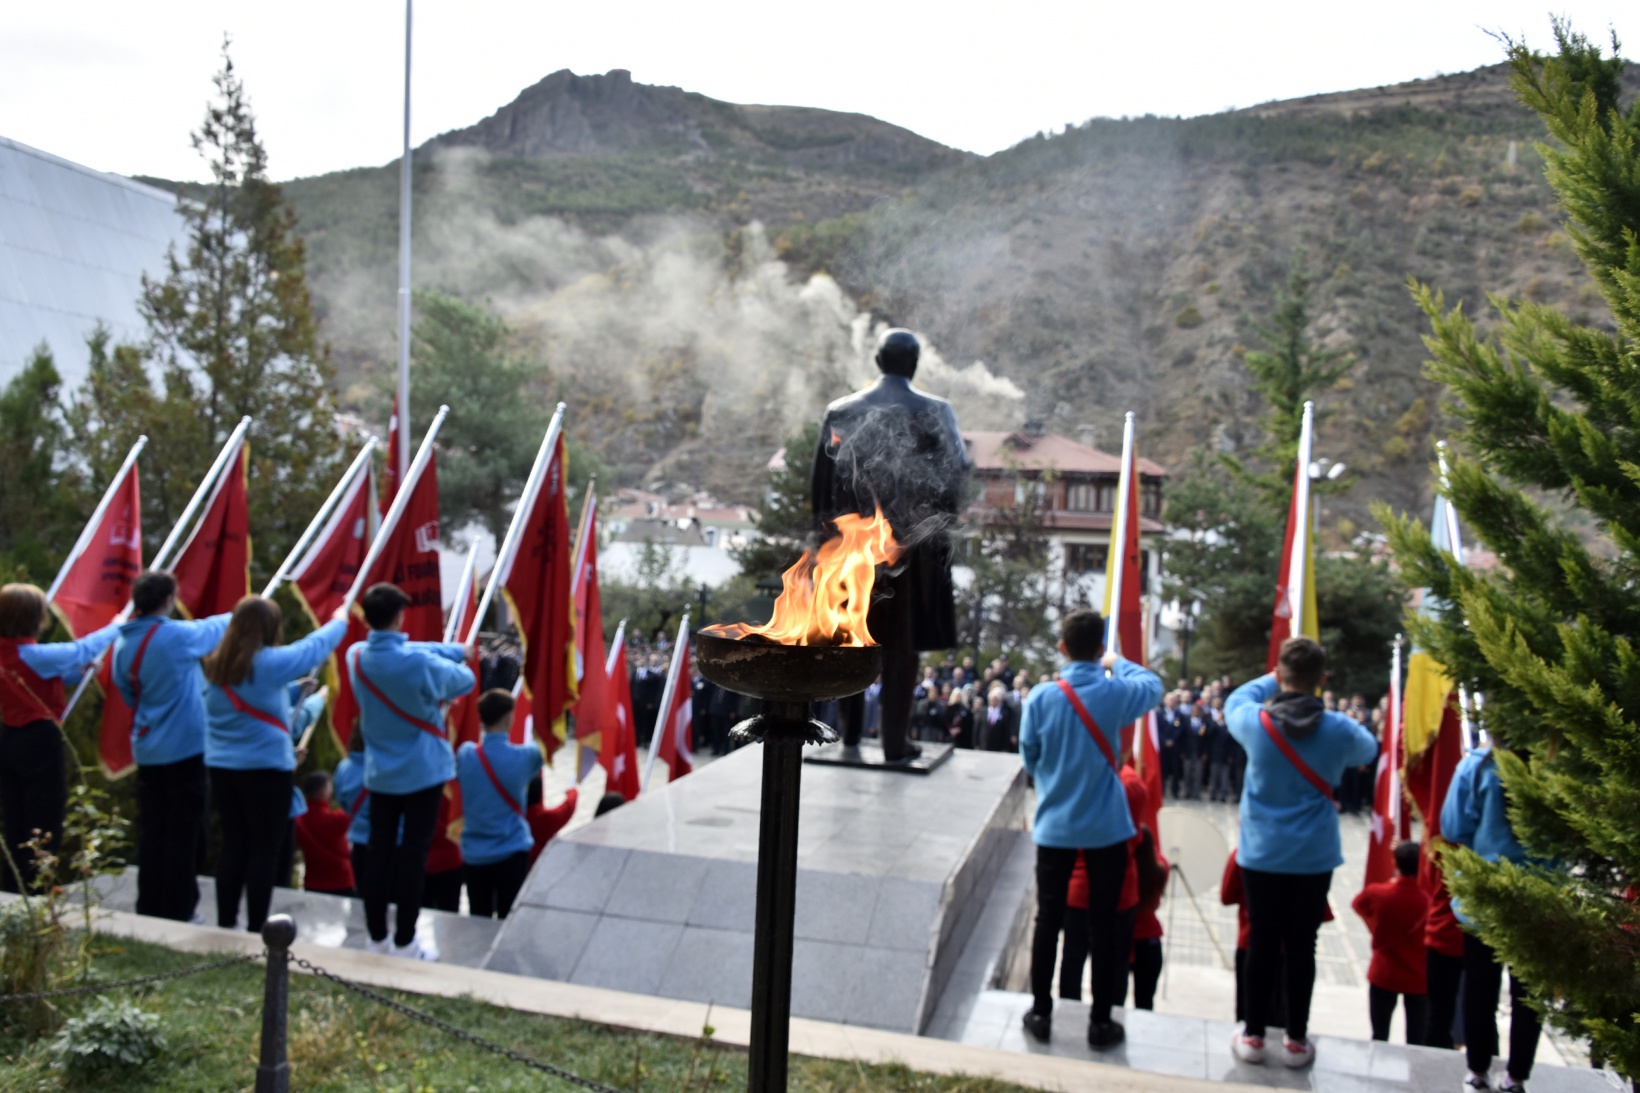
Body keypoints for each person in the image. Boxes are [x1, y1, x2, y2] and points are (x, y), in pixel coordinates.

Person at [815, 328, 969, 762]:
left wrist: (827, 542)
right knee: (902, 648)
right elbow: (957, 472)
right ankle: (894, 742)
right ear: (914, 364)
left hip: (848, 550)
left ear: (879, 360)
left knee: (851, 639)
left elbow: (820, 487)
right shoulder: (937, 410)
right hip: (914, 554)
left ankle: (847, 735)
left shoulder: (840, 410)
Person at [1226, 637, 1377, 1068]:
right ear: (1322, 680)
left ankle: (1253, 1034)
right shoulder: (1339, 729)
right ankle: (1295, 1039)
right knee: (1302, 945)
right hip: (1314, 854)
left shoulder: (1254, 723)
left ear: (1280, 674)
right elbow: (1368, 748)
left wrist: (1270, 678)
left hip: (1262, 852)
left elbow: (1238, 697)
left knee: (1262, 940)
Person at [1019, 608, 1163, 1049]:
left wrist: (1055, 783)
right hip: (1106, 830)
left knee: (1048, 922)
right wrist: (1116, 661)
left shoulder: (1041, 697)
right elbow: (1154, 686)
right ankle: (1101, 1021)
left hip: (1056, 827)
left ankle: (1041, 1011)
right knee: (1105, 926)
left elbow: (1030, 756)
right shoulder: (1114, 691)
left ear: (1062, 648)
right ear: (1100, 648)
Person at [201, 595, 346, 931]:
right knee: (264, 849)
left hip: (223, 768)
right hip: (266, 768)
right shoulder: (267, 663)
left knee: (235, 846)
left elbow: (247, 700)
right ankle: (257, 927)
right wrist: (339, 620)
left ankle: (226, 922)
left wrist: (293, 692)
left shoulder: (216, 665)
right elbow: (312, 649)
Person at [348, 583, 476, 961]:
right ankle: (406, 941)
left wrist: (448, 649)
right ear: (400, 616)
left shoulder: (356, 656)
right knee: (412, 857)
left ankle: (377, 937)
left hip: (381, 772)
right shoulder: (417, 664)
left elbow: (404, 649)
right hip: (423, 771)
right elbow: (463, 680)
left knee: (378, 853)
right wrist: (459, 655)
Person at [113, 571, 232, 922]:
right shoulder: (175, 636)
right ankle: (179, 908)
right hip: (184, 749)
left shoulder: (124, 644)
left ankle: (148, 904)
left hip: (148, 748)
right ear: (168, 600)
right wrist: (243, 609)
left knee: (153, 831)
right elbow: (215, 630)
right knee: (185, 833)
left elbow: (126, 692)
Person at [0, 584, 120, 892]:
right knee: (44, 817)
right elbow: (79, 650)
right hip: (39, 741)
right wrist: (115, 627)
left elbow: (36, 677)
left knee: (15, 818)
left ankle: (14, 887)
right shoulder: (33, 654)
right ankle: (36, 888)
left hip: (8, 739)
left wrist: (77, 674)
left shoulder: (11, 653)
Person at [1442, 745, 1540, 1093]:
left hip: (1484, 897)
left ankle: (1477, 1072)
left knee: (1479, 988)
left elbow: (1452, 827)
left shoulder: (1476, 766)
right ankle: (1516, 1077)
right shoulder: (1555, 770)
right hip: (1539, 901)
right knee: (1528, 996)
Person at [457, 689, 544, 919]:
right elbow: (547, 741)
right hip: (511, 852)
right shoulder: (525, 757)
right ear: (508, 718)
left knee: (478, 917)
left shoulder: (465, 755)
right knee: (509, 919)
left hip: (474, 854)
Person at [1353, 840, 1430, 1044]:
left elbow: (1358, 905)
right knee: (1416, 1039)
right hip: (1417, 976)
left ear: (1395, 863)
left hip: (1384, 972)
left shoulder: (1378, 893)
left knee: (1379, 1036)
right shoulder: (1427, 900)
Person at [295, 771, 356, 896]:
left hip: (312, 882)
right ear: (325, 791)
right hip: (342, 880)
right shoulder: (338, 818)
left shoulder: (298, 820)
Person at [421, 789, 463, 912]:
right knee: (450, 916)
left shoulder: (416, 784)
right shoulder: (454, 785)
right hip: (451, 859)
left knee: (422, 914)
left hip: (422, 861)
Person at [526, 776, 578, 863]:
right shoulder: (545, 819)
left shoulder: (515, 815)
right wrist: (572, 792)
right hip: (541, 863)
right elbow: (568, 807)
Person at [981, 685, 1018, 752]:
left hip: (998, 744)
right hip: (984, 743)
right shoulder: (983, 711)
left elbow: (1006, 730)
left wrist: (1005, 747)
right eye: (992, 700)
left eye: (995, 700)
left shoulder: (1005, 712)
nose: (993, 701)